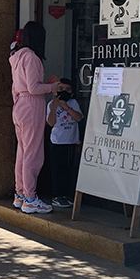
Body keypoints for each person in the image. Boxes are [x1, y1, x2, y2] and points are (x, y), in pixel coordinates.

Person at [10, 21, 63, 215]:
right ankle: (31, 198)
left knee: (22, 152)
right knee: (33, 154)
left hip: (19, 105)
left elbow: (17, 88)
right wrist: (53, 87)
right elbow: (33, 87)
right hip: (32, 105)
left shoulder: (16, 57)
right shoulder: (32, 57)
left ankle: (20, 194)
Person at [46, 78, 84, 209]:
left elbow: (79, 117)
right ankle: (57, 195)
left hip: (71, 141)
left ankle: (67, 194)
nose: (64, 92)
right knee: (58, 169)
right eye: (61, 89)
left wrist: (66, 107)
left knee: (69, 169)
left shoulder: (73, 103)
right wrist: (55, 107)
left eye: (67, 90)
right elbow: (50, 123)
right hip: (57, 142)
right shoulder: (51, 104)